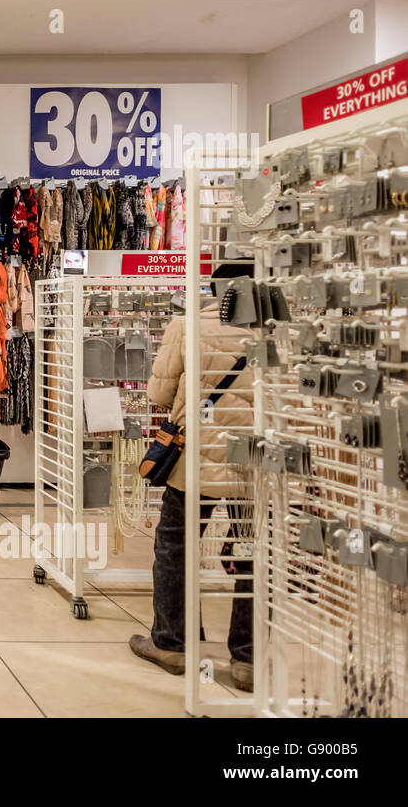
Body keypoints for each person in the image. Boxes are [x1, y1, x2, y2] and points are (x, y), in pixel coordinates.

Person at [129, 263, 255, 691]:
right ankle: (247, 660)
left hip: (194, 461)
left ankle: (171, 643)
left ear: (216, 290)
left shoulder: (187, 326)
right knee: (254, 557)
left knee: (175, 547)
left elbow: (159, 395)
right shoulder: (281, 333)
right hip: (256, 467)